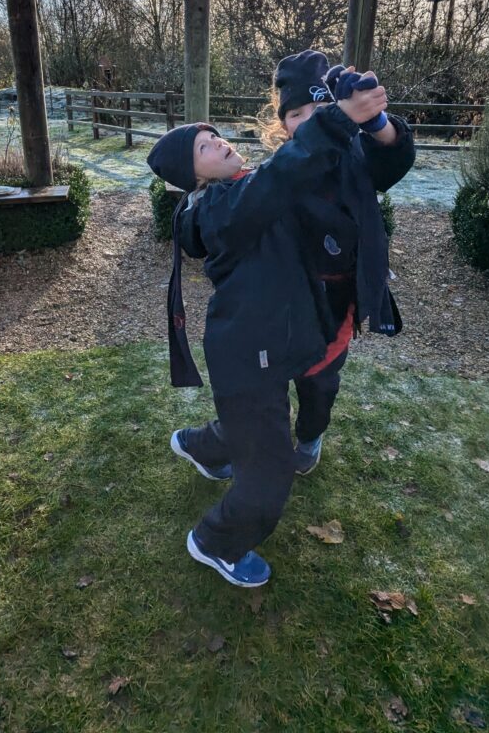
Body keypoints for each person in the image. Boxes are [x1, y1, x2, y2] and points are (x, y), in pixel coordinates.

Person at [147, 65, 413, 588]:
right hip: (248, 356)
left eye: (217, 136)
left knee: (261, 426)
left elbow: (321, 182)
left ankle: (199, 446)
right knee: (269, 475)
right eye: (205, 147)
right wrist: (336, 120)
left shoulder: (247, 185)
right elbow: (282, 178)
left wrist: (372, 125)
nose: (221, 145)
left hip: (277, 341)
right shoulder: (218, 206)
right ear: (193, 176)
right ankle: (214, 542)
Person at [257, 49, 415, 477]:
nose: (310, 119)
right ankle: (263, 440)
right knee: (271, 378)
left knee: (320, 382)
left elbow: (393, 157)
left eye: (321, 107)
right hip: (284, 300)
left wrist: (376, 123)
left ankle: (309, 435)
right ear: (283, 123)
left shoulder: (356, 158)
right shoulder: (277, 168)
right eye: (298, 113)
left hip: (337, 299)